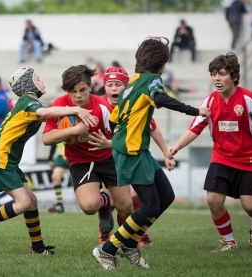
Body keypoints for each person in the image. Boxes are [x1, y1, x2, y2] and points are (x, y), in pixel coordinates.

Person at [92, 37, 210, 270]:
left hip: (138, 152)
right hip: (132, 153)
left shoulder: (133, 83)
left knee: (165, 197)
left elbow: (116, 119)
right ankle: (106, 250)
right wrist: (196, 110)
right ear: (162, 63)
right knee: (149, 207)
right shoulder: (151, 81)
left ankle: (130, 244)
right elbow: (160, 98)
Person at [0, 67, 97, 254]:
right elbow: (45, 114)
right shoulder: (28, 102)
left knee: (32, 201)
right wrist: (76, 109)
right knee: (24, 203)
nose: (42, 81)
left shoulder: (31, 104)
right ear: (29, 84)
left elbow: (48, 115)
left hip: (8, 160)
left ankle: (37, 248)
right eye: (38, 79)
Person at [168, 52, 252, 252]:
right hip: (221, 157)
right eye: (213, 74)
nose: (217, 79)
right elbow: (195, 128)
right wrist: (176, 147)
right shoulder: (210, 102)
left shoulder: (249, 98)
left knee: (250, 206)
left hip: (250, 159)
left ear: (234, 77)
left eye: (222, 74)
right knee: (213, 200)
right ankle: (229, 241)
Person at [43, 65, 118, 245]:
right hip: (80, 161)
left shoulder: (103, 106)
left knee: (127, 205)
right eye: (73, 91)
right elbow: (47, 138)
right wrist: (75, 130)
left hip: (108, 158)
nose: (78, 96)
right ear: (66, 90)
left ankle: (125, 242)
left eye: (82, 90)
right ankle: (105, 203)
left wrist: (108, 143)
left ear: (91, 87)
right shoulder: (60, 105)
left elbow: (122, 138)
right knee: (89, 207)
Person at [99, 66, 172, 247]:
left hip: (130, 156)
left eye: (118, 84)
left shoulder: (134, 99)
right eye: (110, 84)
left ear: (126, 86)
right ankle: (107, 232)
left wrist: (166, 152)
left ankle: (136, 234)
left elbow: (152, 128)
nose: (114, 88)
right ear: (104, 86)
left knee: (137, 198)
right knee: (119, 200)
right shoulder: (99, 105)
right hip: (104, 161)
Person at [47, 142, 68, 213]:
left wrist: (70, 152)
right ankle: (59, 204)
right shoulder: (57, 130)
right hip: (62, 156)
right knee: (55, 177)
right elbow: (54, 140)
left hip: (76, 154)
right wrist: (50, 158)